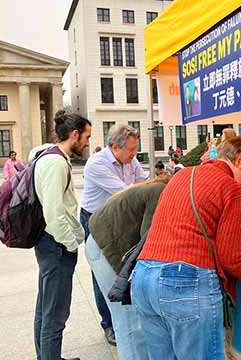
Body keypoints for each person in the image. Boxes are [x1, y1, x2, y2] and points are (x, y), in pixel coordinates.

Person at [131, 136, 241, 360]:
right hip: (185, 283)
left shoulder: (182, 175)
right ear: (238, 160)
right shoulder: (230, 189)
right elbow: (232, 259)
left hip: (143, 278)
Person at [86, 174, 172, 360]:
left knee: (130, 318)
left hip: (100, 242)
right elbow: (148, 243)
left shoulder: (152, 187)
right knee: (128, 321)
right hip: (104, 248)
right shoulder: (160, 193)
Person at [80, 124, 148, 346]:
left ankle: (128, 318)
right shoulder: (97, 164)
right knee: (103, 275)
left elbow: (143, 182)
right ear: (114, 147)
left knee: (124, 269)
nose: (134, 154)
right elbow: (125, 193)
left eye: (135, 149)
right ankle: (108, 324)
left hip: (122, 219)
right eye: (130, 150)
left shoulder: (131, 160)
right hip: (97, 220)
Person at [33, 110, 91, 360]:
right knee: (55, 315)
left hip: (47, 243)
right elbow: (54, 213)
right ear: (75, 134)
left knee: (45, 310)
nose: (88, 143)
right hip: (56, 245)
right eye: (86, 136)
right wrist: (71, 243)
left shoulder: (47, 156)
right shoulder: (56, 163)